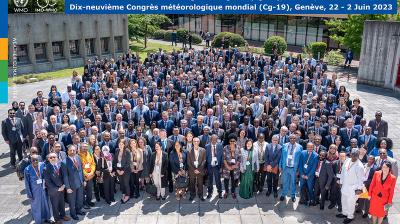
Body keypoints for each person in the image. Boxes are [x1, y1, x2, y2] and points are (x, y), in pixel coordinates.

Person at [336, 148, 365, 224]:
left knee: (351, 203)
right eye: (353, 154)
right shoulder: (347, 160)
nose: (354, 156)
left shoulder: (360, 166)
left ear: (358, 156)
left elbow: (361, 179)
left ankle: (350, 216)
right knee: (344, 200)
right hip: (345, 185)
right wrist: (341, 182)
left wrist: (358, 189)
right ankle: (344, 213)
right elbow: (342, 171)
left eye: (356, 155)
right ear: (350, 154)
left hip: (353, 188)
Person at [44, 152, 71, 223]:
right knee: (55, 205)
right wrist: (57, 189)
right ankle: (57, 219)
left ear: (57, 158)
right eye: (51, 157)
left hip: (62, 188)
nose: (53, 159)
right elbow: (48, 182)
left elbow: (64, 176)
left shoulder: (60, 164)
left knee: (62, 203)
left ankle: (63, 215)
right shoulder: (46, 168)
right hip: (53, 191)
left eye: (54, 157)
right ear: (48, 159)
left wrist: (64, 185)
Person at [24, 154, 51, 224]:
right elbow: (27, 183)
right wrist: (29, 194)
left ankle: (47, 218)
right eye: (33, 160)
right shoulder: (27, 169)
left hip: (43, 189)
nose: (35, 161)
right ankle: (38, 221)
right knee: (36, 207)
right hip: (34, 191)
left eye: (37, 160)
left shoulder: (42, 165)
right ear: (30, 161)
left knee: (45, 204)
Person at [64, 145, 85, 220]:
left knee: (79, 199)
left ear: (76, 150)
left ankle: (78, 210)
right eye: (70, 150)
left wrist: (83, 180)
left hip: (80, 183)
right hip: (71, 186)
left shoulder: (78, 157)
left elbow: (81, 170)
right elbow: (65, 176)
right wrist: (68, 188)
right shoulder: (64, 162)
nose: (72, 152)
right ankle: (73, 214)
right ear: (67, 151)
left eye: (74, 150)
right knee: (72, 201)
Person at [279, 134, 302, 201]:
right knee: (285, 181)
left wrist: (298, 170)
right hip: (285, 167)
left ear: (296, 139)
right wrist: (280, 166)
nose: (292, 139)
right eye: (291, 138)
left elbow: (300, 159)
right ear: (289, 139)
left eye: (294, 138)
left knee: (293, 182)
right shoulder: (284, 145)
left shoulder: (299, 147)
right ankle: (283, 194)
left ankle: (293, 195)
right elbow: (282, 156)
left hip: (294, 168)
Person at [222, 134, 242, 199]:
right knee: (226, 180)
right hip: (227, 167)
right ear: (229, 141)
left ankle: (233, 192)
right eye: (231, 141)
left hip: (235, 168)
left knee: (233, 181)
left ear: (235, 141)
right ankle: (226, 192)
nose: (232, 142)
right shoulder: (225, 148)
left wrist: (235, 165)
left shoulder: (238, 148)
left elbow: (239, 158)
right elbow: (224, 158)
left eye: (234, 141)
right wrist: (228, 166)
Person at [205, 134, 224, 199]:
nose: (214, 141)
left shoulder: (220, 146)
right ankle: (210, 192)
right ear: (210, 140)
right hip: (209, 166)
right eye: (212, 140)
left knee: (218, 180)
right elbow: (205, 157)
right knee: (210, 180)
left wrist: (221, 166)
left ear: (217, 140)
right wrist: (205, 167)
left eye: (215, 140)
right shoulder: (207, 146)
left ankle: (220, 192)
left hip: (217, 166)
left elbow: (222, 156)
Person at [78, 142, 96, 209]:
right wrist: (86, 174)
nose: (85, 148)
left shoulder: (90, 154)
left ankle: (89, 201)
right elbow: (79, 167)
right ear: (81, 147)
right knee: (82, 191)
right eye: (83, 147)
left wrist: (91, 172)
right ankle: (84, 203)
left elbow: (93, 164)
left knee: (90, 190)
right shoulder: (78, 155)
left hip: (90, 175)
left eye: (86, 146)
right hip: (83, 177)